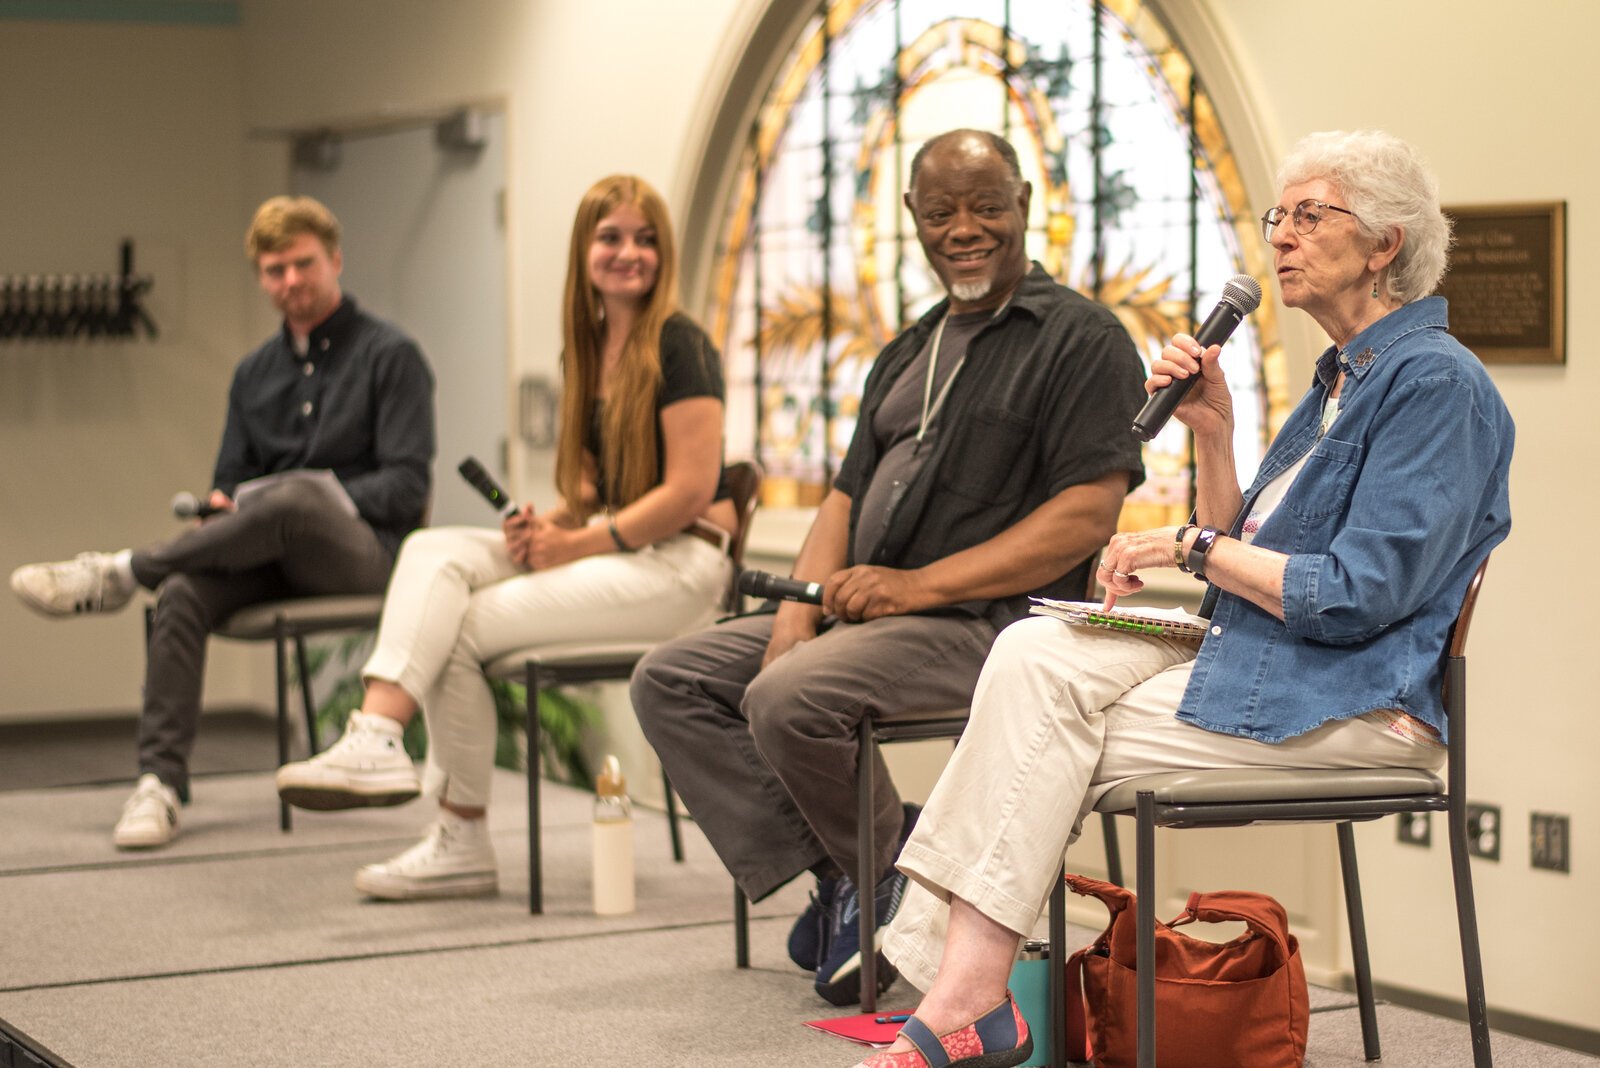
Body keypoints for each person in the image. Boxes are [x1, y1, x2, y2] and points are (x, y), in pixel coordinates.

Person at [856, 128, 1516, 1068]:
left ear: (1386, 245)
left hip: (1358, 700)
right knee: (1034, 656)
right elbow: (1249, 561)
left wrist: (1186, 543)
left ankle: (958, 1003)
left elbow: (1354, 597)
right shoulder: (1340, 380)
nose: (1281, 237)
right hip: (1284, 665)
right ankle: (969, 1002)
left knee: (1034, 730)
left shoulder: (1437, 385)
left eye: (1309, 215)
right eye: (1276, 216)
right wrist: (1213, 437)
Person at [630, 129, 1148, 1007]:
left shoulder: (1082, 339)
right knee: (670, 679)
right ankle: (865, 868)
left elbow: (1084, 516)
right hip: (865, 617)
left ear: (1025, 201)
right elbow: (842, 499)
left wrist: (917, 587)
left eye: (987, 204)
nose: (966, 227)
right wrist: (795, 615)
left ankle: (870, 876)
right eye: (942, 210)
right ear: (912, 216)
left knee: (790, 698)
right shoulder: (909, 349)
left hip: (991, 628)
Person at [273, 174, 735, 901]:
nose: (629, 253)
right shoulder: (585, 350)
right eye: (610, 236)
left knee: (461, 626)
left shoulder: (680, 345)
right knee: (434, 551)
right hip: (619, 549)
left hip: (681, 567)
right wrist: (543, 527)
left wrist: (573, 545)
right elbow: (589, 497)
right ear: (585, 248)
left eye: (645, 239)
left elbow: (686, 495)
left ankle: (459, 836)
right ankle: (378, 735)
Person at [9, 196, 435, 852]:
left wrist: (312, 496)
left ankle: (123, 572)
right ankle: (158, 782)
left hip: (366, 557)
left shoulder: (392, 355)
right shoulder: (253, 374)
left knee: (294, 502)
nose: (289, 281)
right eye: (274, 270)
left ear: (335, 260)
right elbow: (229, 481)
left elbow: (407, 488)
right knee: (182, 594)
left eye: (302, 264)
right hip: (269, 556)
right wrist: (224, 507)